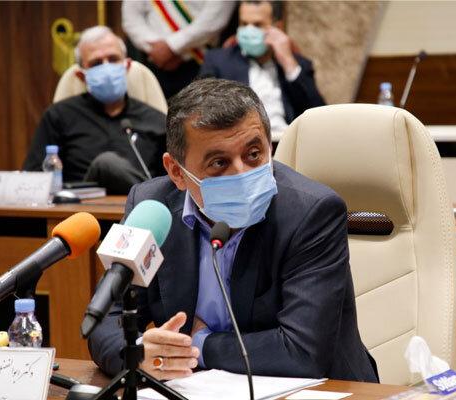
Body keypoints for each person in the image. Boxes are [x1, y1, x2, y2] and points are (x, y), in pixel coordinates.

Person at [88, 78, 378, 382]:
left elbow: (302, 352)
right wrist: (137, 353)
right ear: (176, 172)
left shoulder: (312, 213)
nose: (241, 173)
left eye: (253, 154)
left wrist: (198, 344)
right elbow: (105, 317)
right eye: (219, 162)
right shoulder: (151, 208)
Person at [23, 26, 166, 195]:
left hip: (141, 210)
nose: (106, 68)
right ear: (81, 76)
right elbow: (33, 180)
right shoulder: (58, 117)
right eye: (96, 63)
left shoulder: (156, 120)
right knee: (105, 164)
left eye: (113, 59)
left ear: (126, 66)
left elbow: (172, 182)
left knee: (109, 164)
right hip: (79, 206)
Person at [199, 1, 325, 142]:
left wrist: (288, 63)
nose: (249, 31)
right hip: (240, 144)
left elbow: (319, 117)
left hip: (285, 142)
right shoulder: (218, 61)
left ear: (277, 27)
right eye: (244, 24)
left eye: (257, 25)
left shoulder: (296, 64)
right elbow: (201, 111)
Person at [122, 1, 237, 99]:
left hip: (199, 63)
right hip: (153, 61)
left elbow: (215, 18)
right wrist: (155, 48)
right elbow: (131, 17)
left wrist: (172, 46)